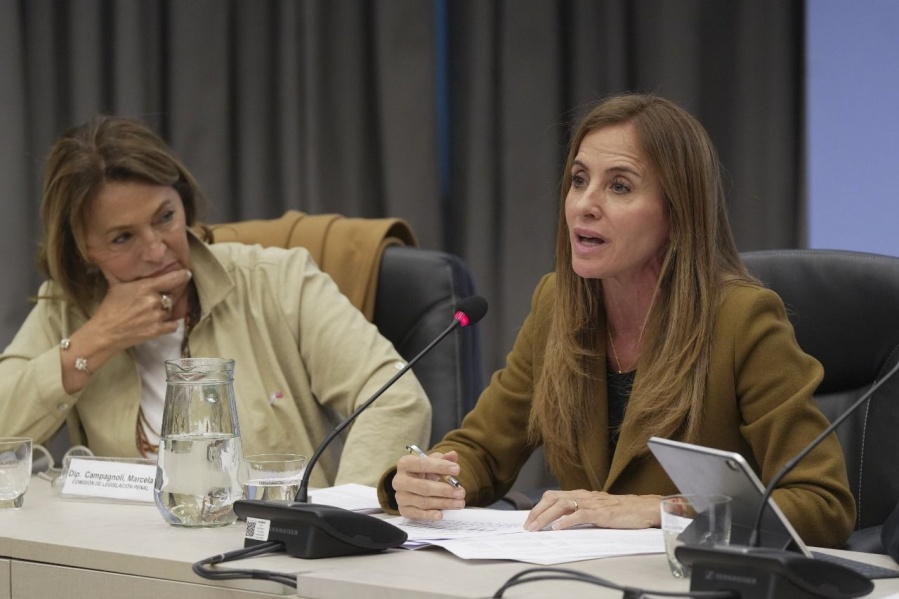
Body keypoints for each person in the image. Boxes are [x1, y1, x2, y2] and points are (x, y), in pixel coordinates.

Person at [380, 93, 855, 548]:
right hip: (583, 576)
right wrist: (426, 482)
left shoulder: (741, 320)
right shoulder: (557, 305)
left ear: (677, 212)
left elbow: (822, 504)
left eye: (620, 186)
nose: (584, 204)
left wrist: (661, 509)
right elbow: (483, 450)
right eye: (579, 180)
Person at [0, 115, 431, 488]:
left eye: (165, 217)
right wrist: (97, 339)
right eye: (122, 238)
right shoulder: (68, 308)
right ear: (82, 250)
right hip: (125, 548)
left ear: (184, 203)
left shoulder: (277, 278)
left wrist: (340, 521)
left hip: (271, 544)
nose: (156, 250)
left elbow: (395, 398)